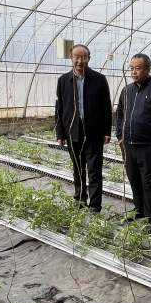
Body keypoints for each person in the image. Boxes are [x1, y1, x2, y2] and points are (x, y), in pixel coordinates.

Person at [115, 54, 151, 224]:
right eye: (131, 68)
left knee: (148, 181)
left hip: (148, 145)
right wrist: (120, 136)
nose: (134, 72)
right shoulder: (127, 90)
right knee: (134, 179)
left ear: (148, 69)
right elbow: (119, 114)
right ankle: (138, 210)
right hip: (128, 144)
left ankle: (149, 216)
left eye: (138, 68)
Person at [55, 44, 113, 212]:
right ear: (71, 58)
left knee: (94, 170)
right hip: (72, 131)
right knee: (78, 168)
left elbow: (106, 107)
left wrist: (106, 131)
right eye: (77, 57)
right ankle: (80, 199)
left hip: (94, 132)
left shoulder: (99, 79)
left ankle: (95, 205)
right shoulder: (63, 80)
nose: (80, 61)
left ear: (89, 58)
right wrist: (60, 133)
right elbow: (59, 109)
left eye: (84, 57)